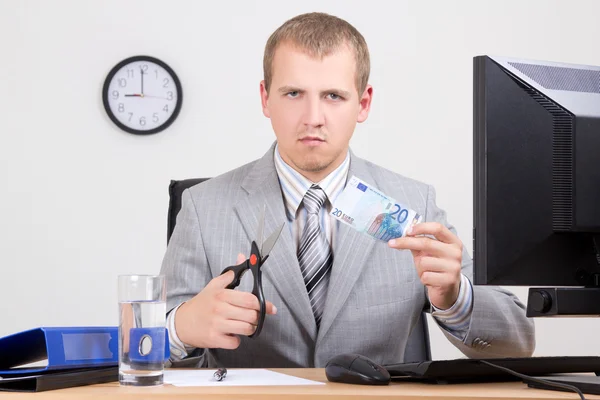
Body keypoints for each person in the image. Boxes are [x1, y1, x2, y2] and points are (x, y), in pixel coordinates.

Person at [160, 12, 535, 368]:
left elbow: (518, 342)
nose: (313, 118)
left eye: (333, 96)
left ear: (363, 103)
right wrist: (179, 327)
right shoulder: (202, 207)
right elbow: (140, 348)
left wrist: (455, 299)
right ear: (265, 98)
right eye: (293, 94)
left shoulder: (413, 203)